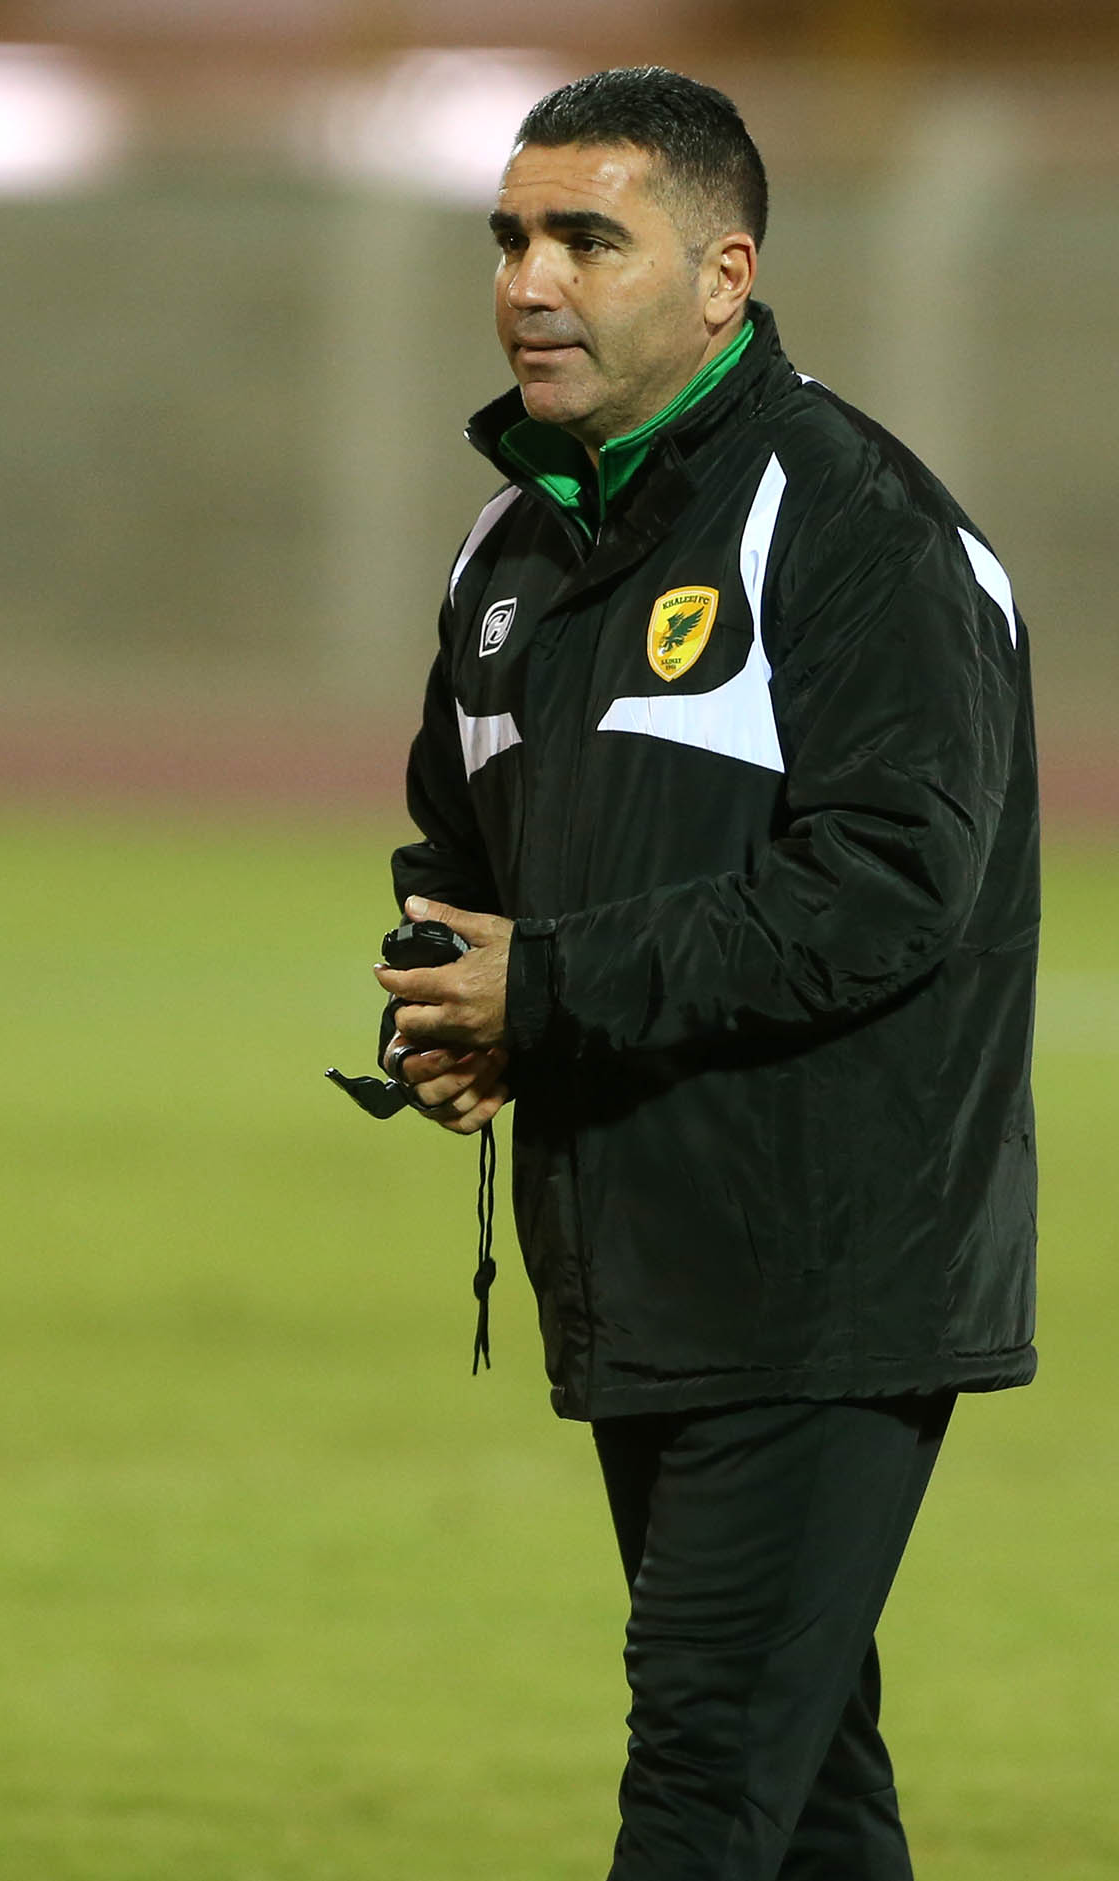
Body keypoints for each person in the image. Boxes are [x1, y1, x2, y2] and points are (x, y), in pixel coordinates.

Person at [368, 65, 1038, 1881]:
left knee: (700, 1787)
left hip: (826, 1263)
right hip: (645, 1255)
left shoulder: (855, 526)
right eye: (512, 236)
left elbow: (890, 888)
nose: (531, 281)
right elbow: (461, 848)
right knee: (805, 1808)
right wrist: (443, 1001)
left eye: (589, 239)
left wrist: (546, 992)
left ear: (725, 274)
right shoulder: (510, 552)